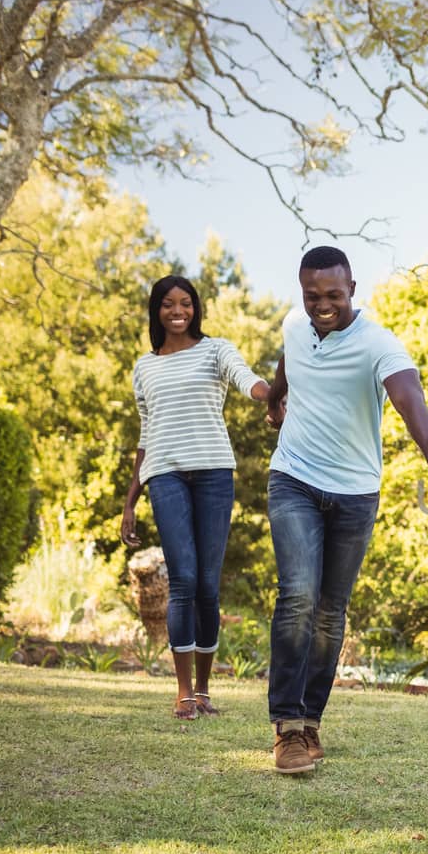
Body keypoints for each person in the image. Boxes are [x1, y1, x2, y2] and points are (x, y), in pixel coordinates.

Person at [263, 245, 428, 774]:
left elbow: (409, 398)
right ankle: (286, 728)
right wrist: (275, 398)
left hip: (355, 491)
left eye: (334, 294)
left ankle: (311, 721)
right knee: (298, 595)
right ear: (302, 292)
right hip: (293, 478)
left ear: (352, 289)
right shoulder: (295, 322)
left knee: (331, 610)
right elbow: (289, 358)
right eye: (313, 296)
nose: (323, 305)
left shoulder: (378, 342)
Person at [120, 275, 271, 719]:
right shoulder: (143, 367)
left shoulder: (215, 349)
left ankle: (204, 689)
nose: (177, 311)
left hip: (213, 474)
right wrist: (130, 501)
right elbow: (145, 436)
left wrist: (271, 395)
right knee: (183, 579)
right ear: (157, 310)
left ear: (196, 308)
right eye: (168, 304)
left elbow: (246, 379)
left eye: (185, 303)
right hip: (164, 475)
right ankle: (183, 691)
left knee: (207, 584)